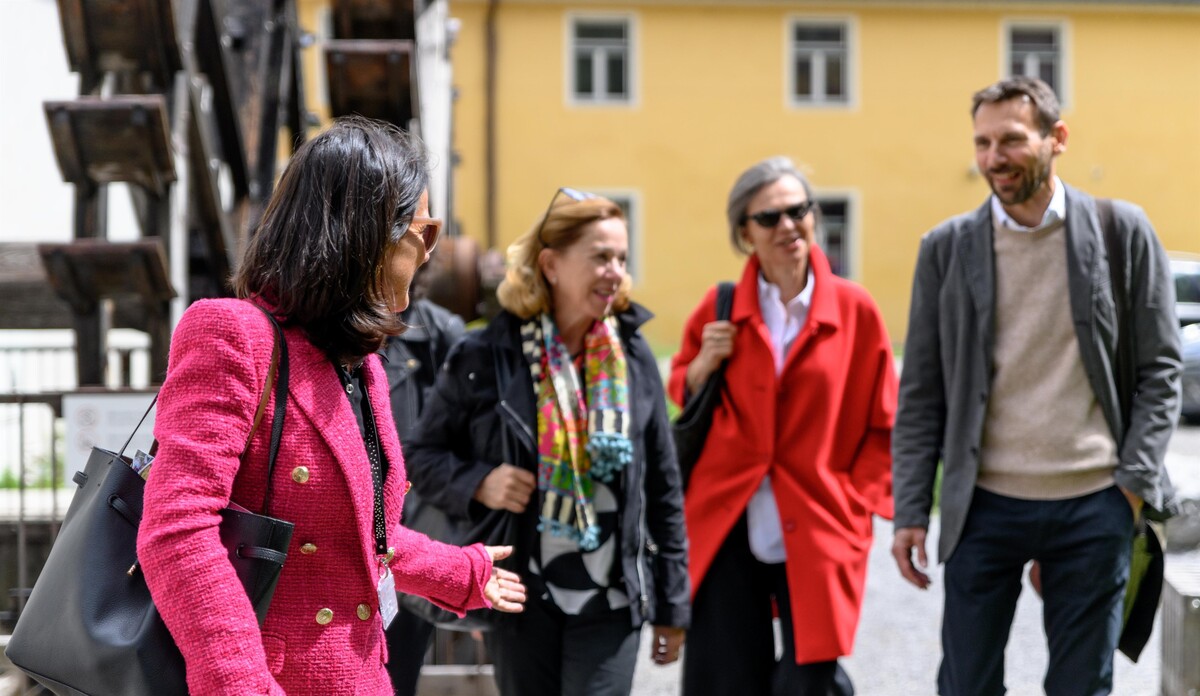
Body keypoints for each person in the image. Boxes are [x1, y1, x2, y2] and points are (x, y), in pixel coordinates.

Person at [137, 116, 526, 696]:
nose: (429, 253)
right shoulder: (231, 333)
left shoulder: (360, 361)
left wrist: (456, 570)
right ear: (367, 232)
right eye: (425, 230)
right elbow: (177, 528)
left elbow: (360, 533)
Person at [890, 76, 1183, 696]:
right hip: (984, 505)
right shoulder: (946, 248)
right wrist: (911, 508)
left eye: (1012, 140)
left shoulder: (1121, 232)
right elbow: (921, 390)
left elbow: (1160, 370)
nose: (994, 157)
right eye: (982, 142)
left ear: (1058, 138)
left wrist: (1130, 488)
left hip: (1094, 502)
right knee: (966, 684)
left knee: (1081, 686)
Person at [405, 187, 689, 696]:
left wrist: (672, 604)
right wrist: (479, 482)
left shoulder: (633, 355)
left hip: (613, 599)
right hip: (521, 598)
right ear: (552, 265)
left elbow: (664, 488)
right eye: (601, 257)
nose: (616, 272)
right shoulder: (484, 354)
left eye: (622, 258)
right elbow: (420, 457)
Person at [669, 156, 897, 696]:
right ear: (745, 233)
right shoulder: (718, 306)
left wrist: (854, 502)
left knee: (809, 679)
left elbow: (885, 422)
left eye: (799, 210)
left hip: (820, 520)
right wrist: (702, 364)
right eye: (769, 217)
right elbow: (682, 388)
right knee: (725, 679)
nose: (788, 225)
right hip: (727, 520)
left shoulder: (856, 309)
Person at [381, 288, 466, 695]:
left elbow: (467, 444)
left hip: (410, 539)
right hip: (338, 545)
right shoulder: (334, 327)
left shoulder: (439, 332)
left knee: (397, 678)